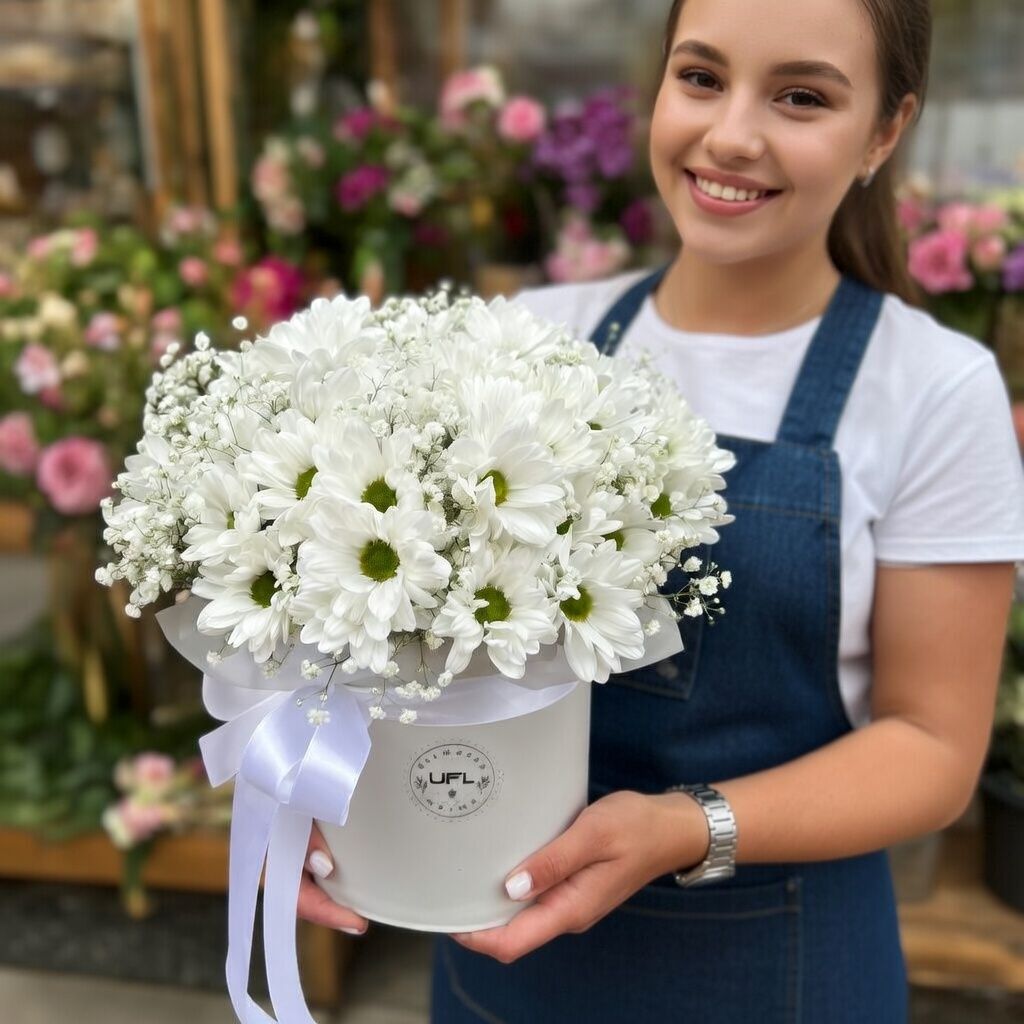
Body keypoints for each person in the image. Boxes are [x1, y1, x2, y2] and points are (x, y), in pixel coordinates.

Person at [299, 0, 1024, 1019]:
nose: (731, 134)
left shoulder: (933, 389)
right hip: (497, 952)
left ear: (884, 131)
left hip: (781, 971)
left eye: (801, 97)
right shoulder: (526, 342)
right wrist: (316, 783)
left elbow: (934, 751)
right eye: (701, 77)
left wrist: (685, 827)